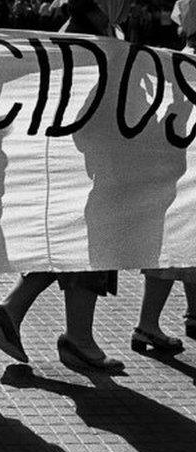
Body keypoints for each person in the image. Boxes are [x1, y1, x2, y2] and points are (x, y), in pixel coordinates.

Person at [0, 0, 129, 372]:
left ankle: (32, 319)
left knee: (80, 246)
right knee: (87, 247)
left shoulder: (96, 29)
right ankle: (69, 335)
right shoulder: (88, 32)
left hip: (89, 159)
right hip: (88, 160)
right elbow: (86, 100)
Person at [132, 0, 196, 354]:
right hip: (182, 170)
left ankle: (186, 315)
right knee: (176, 243)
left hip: (179, 167)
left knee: (185, 241)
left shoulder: (179, 62)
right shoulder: (185, 65)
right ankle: (147, 323)